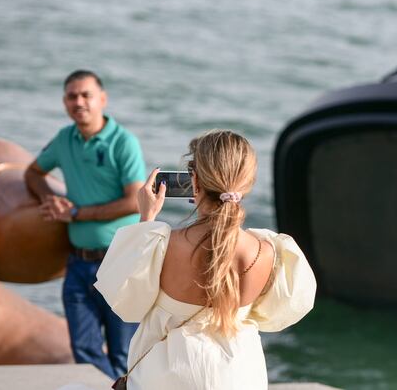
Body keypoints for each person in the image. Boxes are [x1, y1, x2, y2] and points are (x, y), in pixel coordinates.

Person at [94, 129, 316, 389]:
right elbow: (277, 314)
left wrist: (146, 221)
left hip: (167, 377)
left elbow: (126, 304)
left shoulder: (163, 245)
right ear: (247, 182)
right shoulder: (269, 251)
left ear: (195, 182)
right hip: (239, 375)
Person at [24, 70, 146, 378]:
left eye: (86, 95)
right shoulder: (65, 139)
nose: (79, 102)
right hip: (77, 265)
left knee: (124, 356)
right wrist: (49, 200)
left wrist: (75, 213)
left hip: (119, 262)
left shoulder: (123, 142)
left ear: (102, 99)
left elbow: (134, 200)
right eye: (71, 96)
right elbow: (33, 173)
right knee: (85, 355)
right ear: (65, 102)